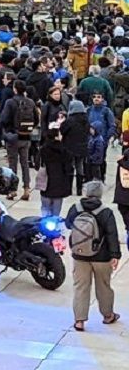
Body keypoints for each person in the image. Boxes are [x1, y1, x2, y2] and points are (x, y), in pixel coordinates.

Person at [65, 181, 121, 332]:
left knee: (80, 287)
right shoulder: (105, 212)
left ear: (86, 192)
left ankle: (79, 321)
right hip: (102, 257)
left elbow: (68, 224)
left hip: (80, 255)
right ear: (100, 194)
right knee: (104, 286)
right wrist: (115, 255)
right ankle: (108, 315)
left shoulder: (75, 209)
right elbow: (112, 235)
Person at [0, 80, 37, 200]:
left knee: (12, 164)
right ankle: (26, 188)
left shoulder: (10, 102)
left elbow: (4, 119)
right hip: (26, 136)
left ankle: (12, 189)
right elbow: (36, 119)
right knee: (25, 163)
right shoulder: (30, 102)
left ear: (14, 89)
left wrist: (3, 133)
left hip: (13, 136)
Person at [62, 99, 92, 198]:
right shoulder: (86, 120)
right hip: (82, 147)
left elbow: (63, 130)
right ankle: (79, 189)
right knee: (80, 167)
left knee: (70, 167)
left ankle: (69, 189)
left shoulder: (70, 120)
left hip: (70, 147)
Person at [87, 92, 117, 183]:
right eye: (94, 97)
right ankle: (90, 178)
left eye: (99, 97)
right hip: (90, 140)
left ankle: (101, 178)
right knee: (89, 160)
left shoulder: (106, 111)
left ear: (103, 99)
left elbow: (112, 126)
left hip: (102, 140)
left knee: (101, 160)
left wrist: (106, 139)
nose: (96, 99)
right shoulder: (88, 110)